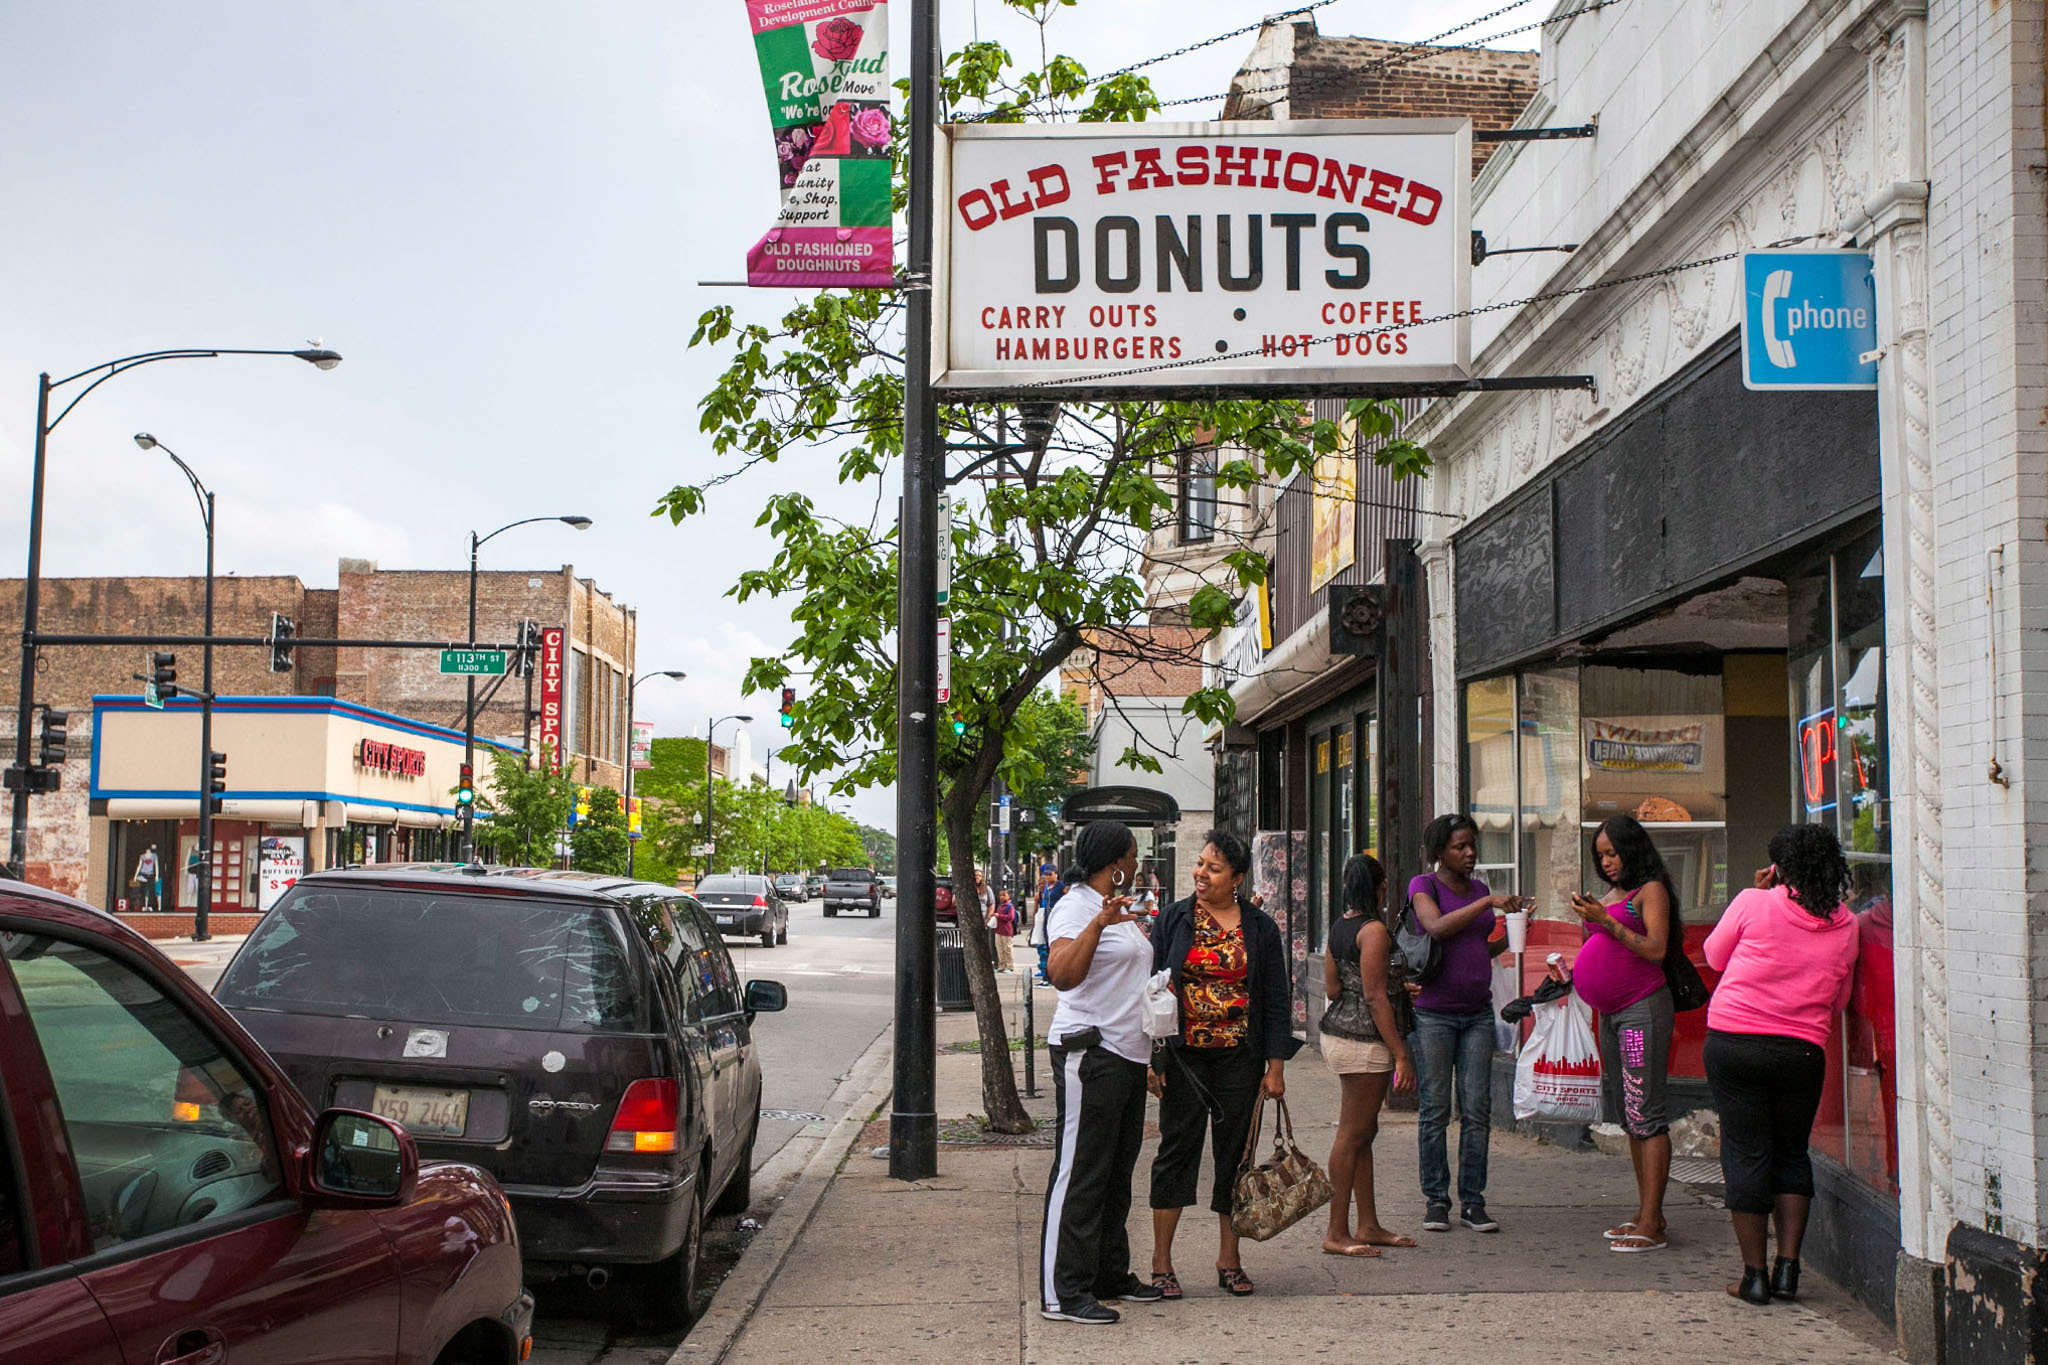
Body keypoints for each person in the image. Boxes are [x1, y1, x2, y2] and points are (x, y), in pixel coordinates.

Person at [1702, 823, 1859, 1306]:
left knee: (1747, 1154)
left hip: (1736, 1044)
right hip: (1802, 1051)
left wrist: (1764, 893)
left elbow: (1713, 956)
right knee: (1791, 1153)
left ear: (1778, 867)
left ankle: (1753, 1277)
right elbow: (1841, 1000)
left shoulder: (1754, 901)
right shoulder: (1847, 924)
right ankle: (1788, 1270)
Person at [1147, 830, 1299, 1299]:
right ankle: (1161, 1262)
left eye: (1213, 869)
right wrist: (1154, 1058)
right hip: (1184, 1058)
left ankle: (1229, 1258)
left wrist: (1274, 1066)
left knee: (1235, 1159)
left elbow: (1276, 998)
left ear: (1236, 878)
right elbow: (1152, 992)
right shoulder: (1173, 920)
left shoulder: (1259, 928)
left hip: (1240, 1059)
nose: (1200, 874)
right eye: (1199, 864)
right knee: (1177, 1152)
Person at [1039, 820, 1164, 1325]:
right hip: (1089, 1053)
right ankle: (1062, 1292)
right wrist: (1098, 925)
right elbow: (1062, 975)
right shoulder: (1075, 906)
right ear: (1114, 865)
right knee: (1081, 1173)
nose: (1137, 866)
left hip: (1128, 1055)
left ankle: (1109, 1274)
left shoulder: (1120, 908)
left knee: (1116, 1173)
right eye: (1133, 857)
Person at [1565, 815, 1679, 1253]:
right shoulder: (1612, 895)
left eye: (1613, 852)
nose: (1607, 862)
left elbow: (1655, 948)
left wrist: (1604, 921)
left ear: (1633, 848)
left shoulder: (1650, 891)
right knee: (1630, 1111)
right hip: (1611, 1015)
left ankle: (1652, 1222)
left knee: (1645, 1110)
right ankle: (1647, 1210)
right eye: (1601, 855)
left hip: (1639, 1014)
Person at [1408, 812, 1523, 1234]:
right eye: (1460, 846)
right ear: (1440, 852)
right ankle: (1436, 1200)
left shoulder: (1479, 888)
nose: (1470, 852)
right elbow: (1436, 928)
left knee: (1477, 1110)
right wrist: (1488, 904)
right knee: (1436, 1110)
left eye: (1473, 845)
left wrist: (1511, 936)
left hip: (1477, 1013)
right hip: (1434, 1014)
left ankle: (1473, 1202)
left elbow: (1478, 947)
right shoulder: (1425, 886)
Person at [1319, 853, 1417, 1257]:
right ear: (1380, 888)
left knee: (1364, 1133)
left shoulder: (1340, 927)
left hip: (1339, 1033)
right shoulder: (1374, 930)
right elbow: (1375, 998)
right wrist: (1401, 1055)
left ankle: (1368, 1223)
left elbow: (1333, 988)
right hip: (1365, 1041)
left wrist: (1390, 989)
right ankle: (1336, 1232)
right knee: (1352, 1134)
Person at [1031, 870, 1058, 985]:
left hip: (1049, 922)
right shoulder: (1043, 894)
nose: (1042, 886)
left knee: (1046, 948)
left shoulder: (1053, 890)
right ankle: (1044, 970)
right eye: (1040, 884)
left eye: (1043, 884)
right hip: (1041, 921)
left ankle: (1047, 972)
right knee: (1041, 947)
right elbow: (1036, 911)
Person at [990, 889, 1018, 972]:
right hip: (998, 930)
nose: (1002, 897)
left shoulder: (1010, 906)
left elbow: (1010, 917)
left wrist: (999, 916)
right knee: (999, 949)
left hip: (1006, 931)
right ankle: (1002, 966)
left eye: (1004, 895)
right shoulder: (1000, 906)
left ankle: (1010, 966)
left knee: (1007, 949)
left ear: (1008, 896)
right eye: (1000, 895)